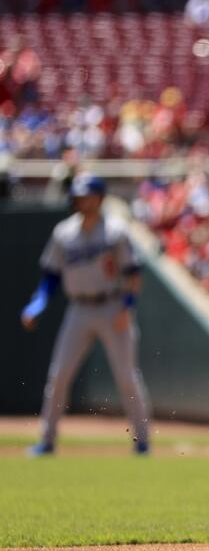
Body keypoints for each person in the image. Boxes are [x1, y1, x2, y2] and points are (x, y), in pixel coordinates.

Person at [20, 174, 151, 455]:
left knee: (127, 376)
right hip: (78, 308)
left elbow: (134, 273)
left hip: (113, 305)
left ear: (100, 198)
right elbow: (51, 276)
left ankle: (142, 442)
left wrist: (127, 307)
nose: (81, 201)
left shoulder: (116, 230)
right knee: (59, 375)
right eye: (79, 197)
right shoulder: (63, 232)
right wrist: (38, 302)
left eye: (87, 196)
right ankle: (47, 441)